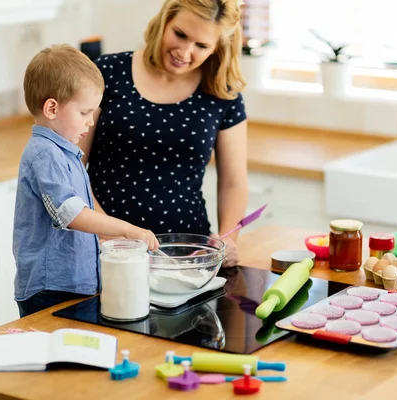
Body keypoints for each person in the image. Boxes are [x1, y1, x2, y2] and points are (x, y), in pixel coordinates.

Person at [81, 0, 249, 268]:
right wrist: (109, 235)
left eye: (201, 45)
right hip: (106, 252)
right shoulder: (107, 73)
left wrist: (229, 239)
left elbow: (233, 182)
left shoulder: (222, 93)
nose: (184, 52)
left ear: (217, 47)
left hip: (188, 258)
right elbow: (72, 166)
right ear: (164, 22)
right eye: (180, 34)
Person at [13, 44, 159, 318]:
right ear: (52, 108)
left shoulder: (65, 152)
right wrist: (127, 229)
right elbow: (71, 213)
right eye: (84, 113)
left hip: (73, 284)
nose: (91, 122)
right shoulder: (45, 154)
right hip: (51, 290)